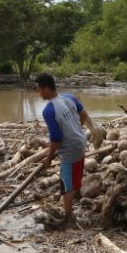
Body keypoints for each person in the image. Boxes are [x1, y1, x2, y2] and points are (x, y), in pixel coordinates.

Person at [36, 72, 102, 226]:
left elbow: (56, 139)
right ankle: (77, 197)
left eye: (39, 89)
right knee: (76, 171)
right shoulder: (68, 97)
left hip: (70, 149)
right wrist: (75, 129)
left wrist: (48, 158)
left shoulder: (49, 110)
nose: (38, 93)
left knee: (66, 185)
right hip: (81, 142)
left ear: (46, 88)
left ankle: (68, 217)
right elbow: (83, 115)